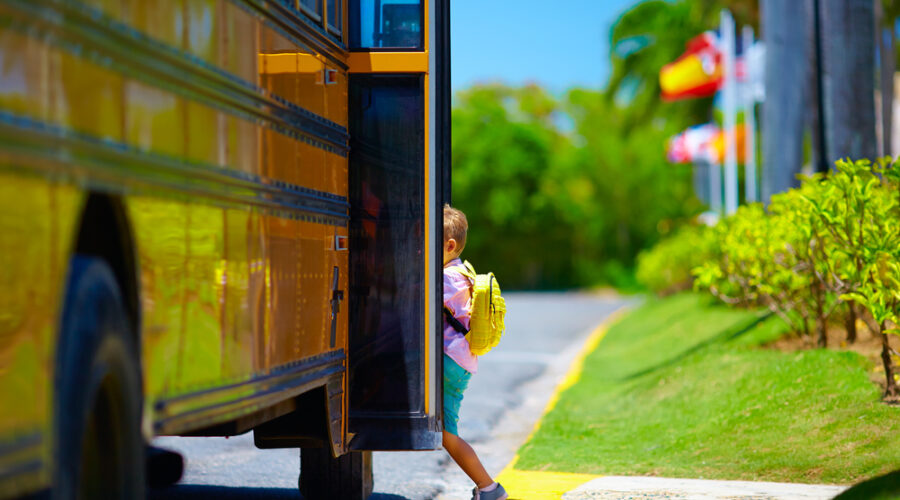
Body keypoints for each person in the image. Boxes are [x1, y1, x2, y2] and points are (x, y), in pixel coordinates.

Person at [442, 205, 508, 500]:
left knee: (448, 435)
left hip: (449, 361)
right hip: (461, 361)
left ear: (449, 245)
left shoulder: (445, 280)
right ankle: (487, 488)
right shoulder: (462, 272)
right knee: (446, 431)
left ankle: (489, 488)